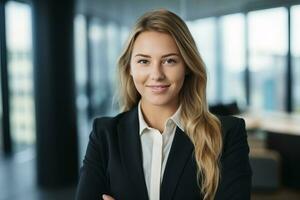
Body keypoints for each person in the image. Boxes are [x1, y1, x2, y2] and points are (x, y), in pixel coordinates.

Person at [75, 9, 252, 200]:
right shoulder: (104, 135)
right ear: (130, 68)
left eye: (169, 60)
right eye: (144, 61)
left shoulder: (227, 134)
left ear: (187, 67)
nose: (157, 74)